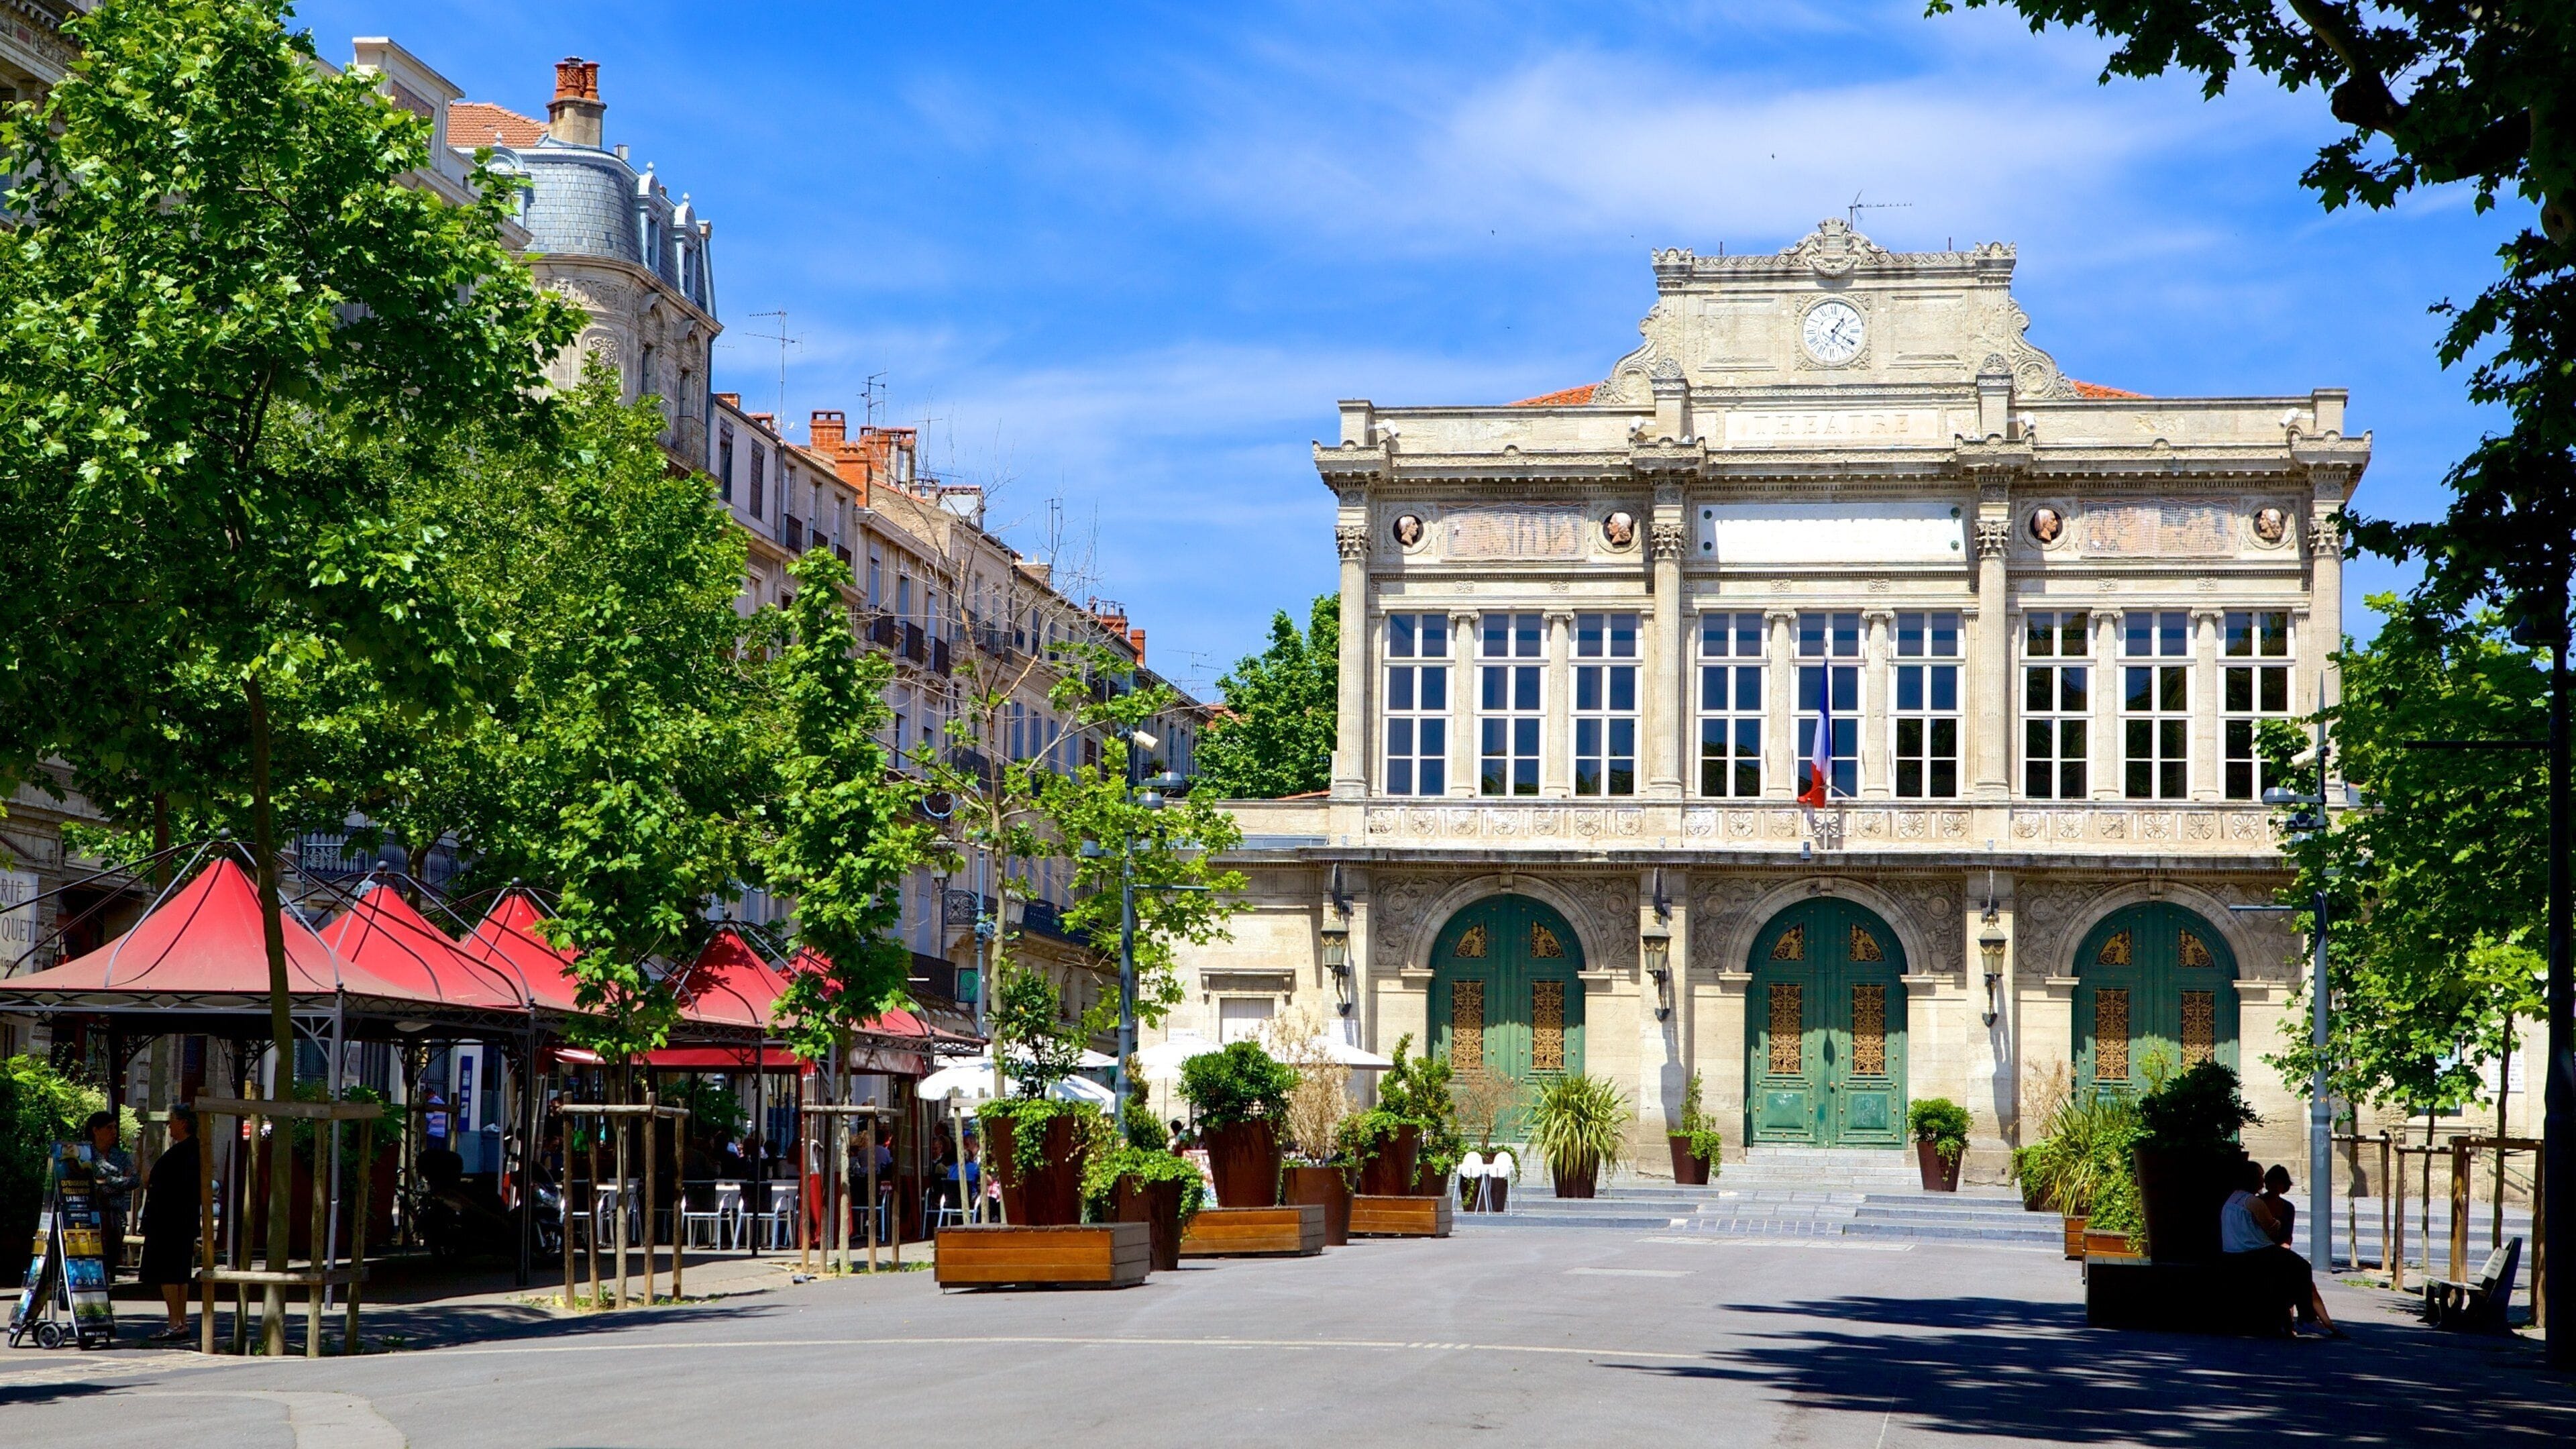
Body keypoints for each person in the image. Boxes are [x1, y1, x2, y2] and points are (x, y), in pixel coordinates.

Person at [2222, 1159, 2341, 1338]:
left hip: (2234, 1253)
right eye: (2261, 1177)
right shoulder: (2253, 1202)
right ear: (2252, 1179)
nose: (2263, 1182)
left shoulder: (2233, 1199)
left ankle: (2295, 1320)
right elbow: (2273, 1228)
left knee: (2290, 1270)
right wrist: (2276, 1221)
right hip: (2254, 1252)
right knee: (2302, 1267)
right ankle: (2307, 1317)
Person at [138, 1106, 202, 1344]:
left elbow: (149, 1180)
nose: (169, 1126)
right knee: (180, 1273)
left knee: (169, 1272)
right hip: (182, 1221)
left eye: (172, 1120)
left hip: (168, 1222)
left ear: (183, 1123)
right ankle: (181, 1321)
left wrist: (143, 1157)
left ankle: (175, 1322)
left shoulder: (180, 1153)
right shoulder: (194, 1150)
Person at [80, 1110, 136, 1282]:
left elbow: (134, 1181)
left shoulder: (121, 1156)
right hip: (90, 1216)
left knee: (111, 1260)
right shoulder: (84, 1154)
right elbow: (88, 1185)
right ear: (96, 1130)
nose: (114, 1132)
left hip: (117, 1216)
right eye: (109, 1128)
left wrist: (107, 1181)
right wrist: (117, 1182)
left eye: (115, 1128)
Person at [2261, 1163, 2298, 1246]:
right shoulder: (2258, 1202)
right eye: (2272, 1182)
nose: (2276, 1186)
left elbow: (2288, 1234)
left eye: (2279, 1183)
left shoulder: (2288, 1207)